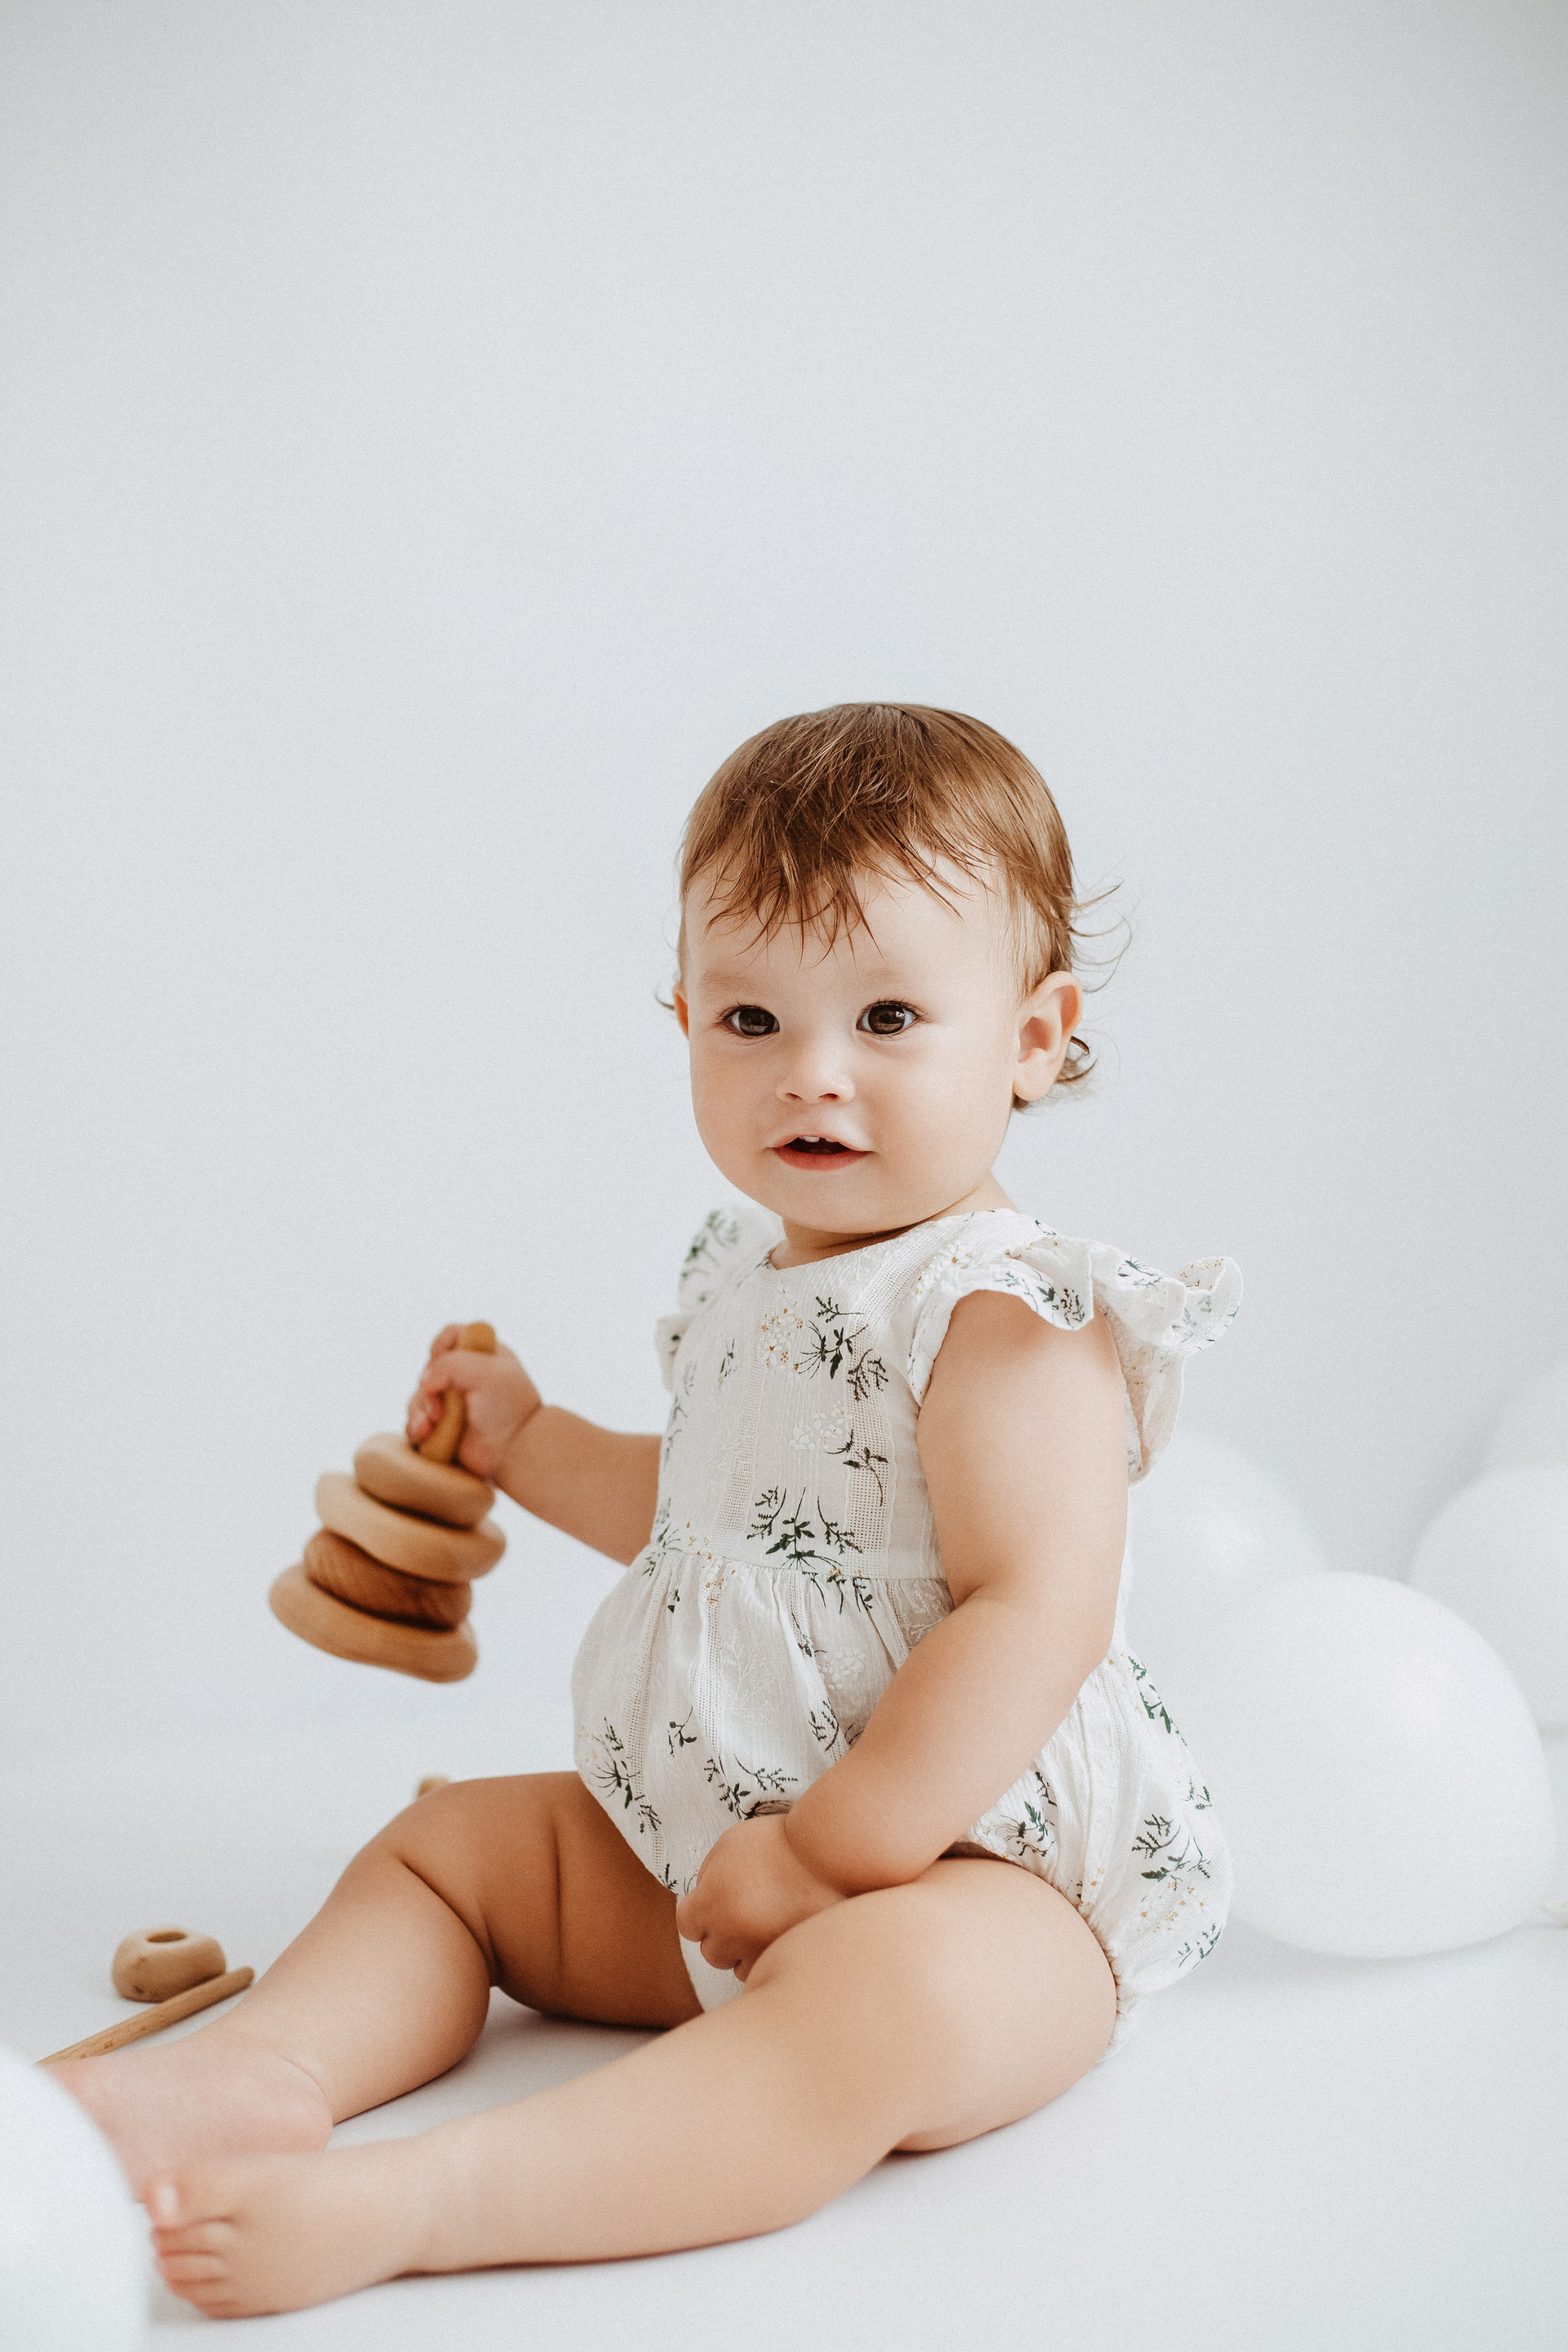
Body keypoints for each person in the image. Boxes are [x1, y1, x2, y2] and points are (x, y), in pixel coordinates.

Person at [52, 702, 1241, 2319]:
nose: (812, 1071)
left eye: (889, 1016)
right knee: (448, 1854)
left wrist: (829, 1853)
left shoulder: (1003, 1313)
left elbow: (1037, 1612)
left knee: (874, 2005)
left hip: (973, 1878)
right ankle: (265, 2071)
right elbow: (718, 1530)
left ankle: (436, 2199)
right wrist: (530, 1442)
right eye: (752, 1017)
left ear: (1033, 1038)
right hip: (711, 1853)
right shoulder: (746, 1284)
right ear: (684, 1017)